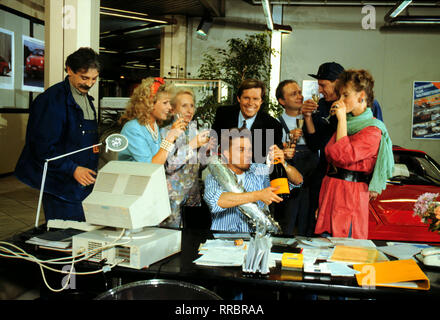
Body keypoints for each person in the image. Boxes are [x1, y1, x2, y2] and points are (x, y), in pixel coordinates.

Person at [15, 47, 101, 222]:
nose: (89, 84)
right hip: (60, 185)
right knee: (64, 236)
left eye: (94, 79)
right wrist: (72, 169)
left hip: (84, 182)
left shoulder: (86, 99)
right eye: (84, 78)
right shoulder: (50, 101)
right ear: (69, 70)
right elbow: (42, 148)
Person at [314, 69, 394, 239]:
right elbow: (329, 153)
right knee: (324, 247)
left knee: (344, 249)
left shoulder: (373, 130)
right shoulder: (347, 124)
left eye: (345, 95)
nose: (340, 101)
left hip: (350, 195)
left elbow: (342, 155)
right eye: (340, 95)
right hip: (331, 190)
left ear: (361, 96)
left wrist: (342, 120)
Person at [204, 129, 303, 233]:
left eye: (249, 150)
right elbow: (215, 201)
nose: (248, 154)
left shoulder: (259, 170)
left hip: (257, 241)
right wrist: (258, 195)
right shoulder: (215, 175)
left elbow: (298, 181)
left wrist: (284, 164)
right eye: (241, 150)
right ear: (227, 154)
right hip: (224, 242)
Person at [160, 89, 211, 228]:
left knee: (191, 243)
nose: (189, 110)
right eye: (184, 106)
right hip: (172, 200)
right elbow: (169, 166)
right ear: (173, 109)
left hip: (192, 198)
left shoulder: (193, 131)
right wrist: (192, 145)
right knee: (171, 243)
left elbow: (198, 166)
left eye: (192, 105)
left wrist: (206, 152)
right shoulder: (165, 132)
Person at [275, 80, 319, 235]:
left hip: (312, 179)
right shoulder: (276, 124)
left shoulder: (313, 119)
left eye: (299, 92)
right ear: (282, 101)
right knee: (288, 220)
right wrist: (288, 139)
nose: (299, 96)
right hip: (290, 181)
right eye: (293, 94)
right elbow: (273, 153)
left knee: (310, 223)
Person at [212, 79, 283, 164]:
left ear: (261, 101)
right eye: (246, 98)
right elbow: (213, 143)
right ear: (239, 98)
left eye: (255, 99)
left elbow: (274, 160)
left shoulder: (273, 126)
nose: (250, 103)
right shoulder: (223, 114)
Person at [118, 77, 186, 164]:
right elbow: (149, 167)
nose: (169, 107)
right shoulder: (132, 129)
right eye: (165, 103)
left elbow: (161, 158)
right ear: (149, 103)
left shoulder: (153, 125)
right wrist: (170, 137)